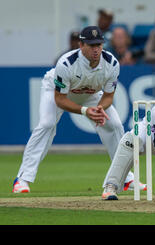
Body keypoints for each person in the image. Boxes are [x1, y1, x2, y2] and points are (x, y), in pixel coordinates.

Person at [12, 26, 143, 193]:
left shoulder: (111, 63)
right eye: (91, 45)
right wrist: (84, 111)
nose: (96, 49)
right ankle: (22, 179)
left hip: (91, 94)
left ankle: (125, 178)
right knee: (46, 124)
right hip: (56, 91)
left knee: (115, 125)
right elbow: (60, 100)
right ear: (81, 45)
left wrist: (99, 109)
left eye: (99, 45)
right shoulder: (66, 64)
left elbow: (109, 96)